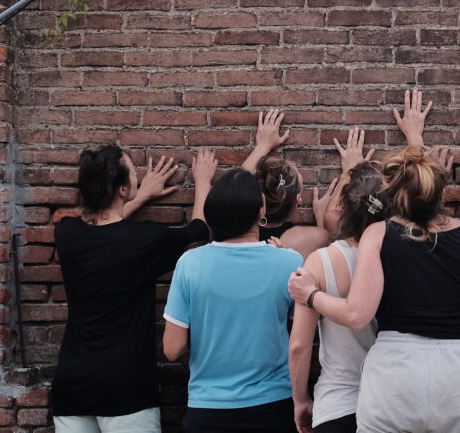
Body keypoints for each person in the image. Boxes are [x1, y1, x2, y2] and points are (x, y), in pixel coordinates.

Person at [288, 89, 460, 433]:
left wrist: (311, 295)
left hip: (395, 375)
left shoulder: (378, 233)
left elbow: (357, 314)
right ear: (441, 192)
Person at [50, 145, 217, 433]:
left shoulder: (66, 233)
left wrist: (141, 196)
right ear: (123, 189)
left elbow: (103, 228)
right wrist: (202, 181)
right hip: (125, 388)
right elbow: (198, 230)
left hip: (71, 385)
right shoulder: (145, 240)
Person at [163, 169, 305, 433]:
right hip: (272, 406)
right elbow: (302, 339)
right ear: (261, 210)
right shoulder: (289, 262)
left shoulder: (190, 264)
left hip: (207, 409)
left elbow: (172, 349)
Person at [288, 136, 385, 433]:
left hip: (337, 403)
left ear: (342, 205)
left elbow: (299, 345)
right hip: (388, 402)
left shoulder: (320, 261)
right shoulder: (401, 256)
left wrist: (300, 399)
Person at [242, 109, 335, 257]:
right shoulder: (306, 240)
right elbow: (330, 255)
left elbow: (240, 181)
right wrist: (321, 219)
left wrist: (262, 147)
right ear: (298, 198)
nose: (292, 163)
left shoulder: (240, 232)